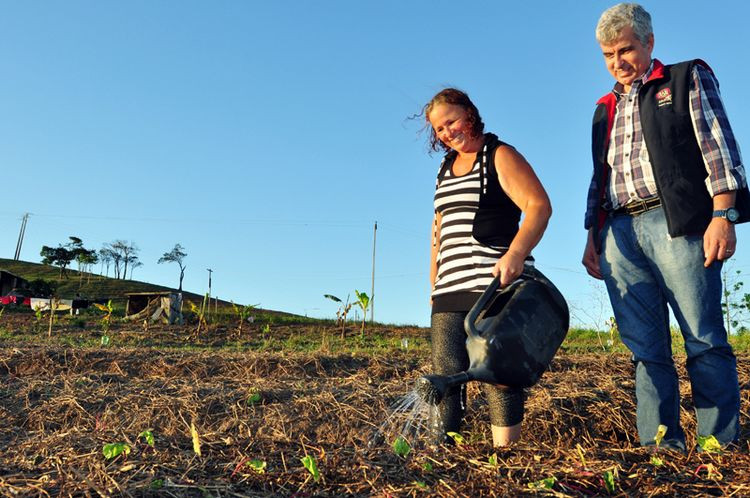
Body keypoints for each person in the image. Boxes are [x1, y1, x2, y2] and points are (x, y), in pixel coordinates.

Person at [582, 3, 749, 451]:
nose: (617, 62)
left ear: (649, 43)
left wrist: (722, 216)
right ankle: (661, 447)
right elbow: (601, 176)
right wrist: (591, 236)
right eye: (607, 55)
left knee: (703, 336)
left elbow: (718, 147)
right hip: (618, 232)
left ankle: (719, 444)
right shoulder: (603, 109)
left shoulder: (684, 78)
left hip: (678, 225)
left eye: (626, 50)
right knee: (645, 350)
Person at [424, 88, 552, 446]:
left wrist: (515, 254)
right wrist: (434, 282)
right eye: (439, 129)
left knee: (499, 370)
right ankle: (443, 453)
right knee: (445, 371)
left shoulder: (499, 155)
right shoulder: (444, 168)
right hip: (450, 287)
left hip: (494, 284)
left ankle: (505, 455)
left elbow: (539, 206)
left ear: (470, 113)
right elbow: (437, 229)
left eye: (450, 121)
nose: (446, 132)